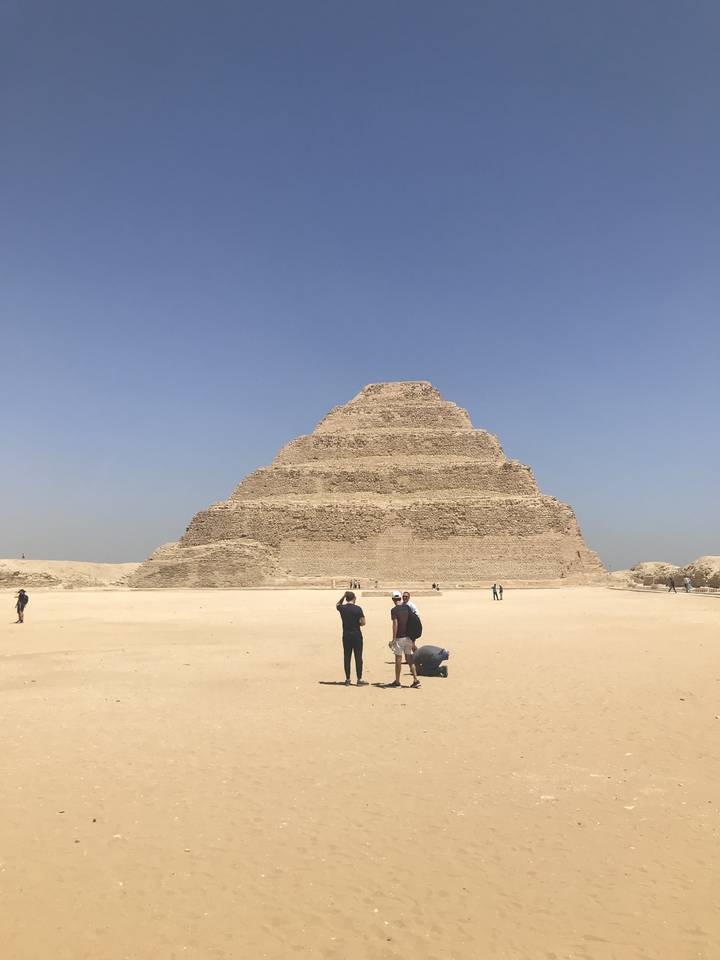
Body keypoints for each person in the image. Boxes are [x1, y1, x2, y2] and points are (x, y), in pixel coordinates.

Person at [389, 591, 421, 688]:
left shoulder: (394, 610)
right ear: (400, 598)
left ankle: (397, 682)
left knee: (398, 659)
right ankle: (415, 680)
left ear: (393, 599)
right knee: (409, 658)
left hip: (400, 637)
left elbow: (395, 624)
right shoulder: (407, 607)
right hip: (409, 637)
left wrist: (393, 639)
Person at [336, 591, 366, 685]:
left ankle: (348, 679)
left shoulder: (342, 608)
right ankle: (359, 679)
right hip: (356, 634)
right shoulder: (358, 609)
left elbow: (337, 604)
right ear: (354, 598)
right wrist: (358, 623)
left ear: (346, 598)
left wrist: (343, 596)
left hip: (346, 634)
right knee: (358, 657)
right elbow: (363, 622)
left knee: (347, 657)